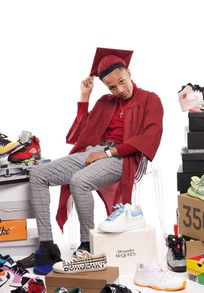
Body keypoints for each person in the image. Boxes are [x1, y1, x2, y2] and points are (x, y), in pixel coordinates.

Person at [20, 47, 163, 275]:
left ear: (129, 72)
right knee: (38, 173)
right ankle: (47, 246)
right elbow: (81, 134)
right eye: (112, 87)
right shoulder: (106, 102)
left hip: (124, 157)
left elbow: (149, 138)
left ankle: (88, 244)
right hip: (95, 152)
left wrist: (107, 153)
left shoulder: (150, 99)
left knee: (79, 180)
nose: (119, 90)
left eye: (122, 82)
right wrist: (85, 98)